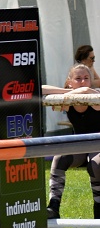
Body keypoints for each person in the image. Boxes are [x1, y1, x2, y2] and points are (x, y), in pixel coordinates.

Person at [42, 64, 100, 219]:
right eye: (78, 78)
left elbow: (86, 91)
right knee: (59, 157)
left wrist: (69, 93)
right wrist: (67, 93)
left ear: (92, 81)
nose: (82, 82)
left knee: (96, 165)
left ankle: (99, 208)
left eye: (86, 78)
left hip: (98, 144)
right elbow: (40, 89)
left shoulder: (96, 96)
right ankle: (53, 206)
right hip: (80, 144)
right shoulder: (68, 99)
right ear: (69, 81)